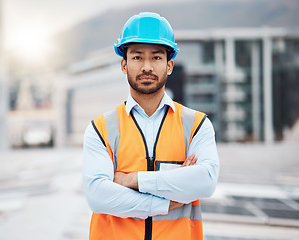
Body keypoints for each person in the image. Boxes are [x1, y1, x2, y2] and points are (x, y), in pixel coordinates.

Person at [83, 12, 219, 240]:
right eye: (137, 57)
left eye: (156, 57)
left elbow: (205, 182)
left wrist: (132, 180)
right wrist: (167, 200)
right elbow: (97, 195)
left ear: (170, 65)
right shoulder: (101, 129)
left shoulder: (196, 125)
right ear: (124, 65)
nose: (147, 66)